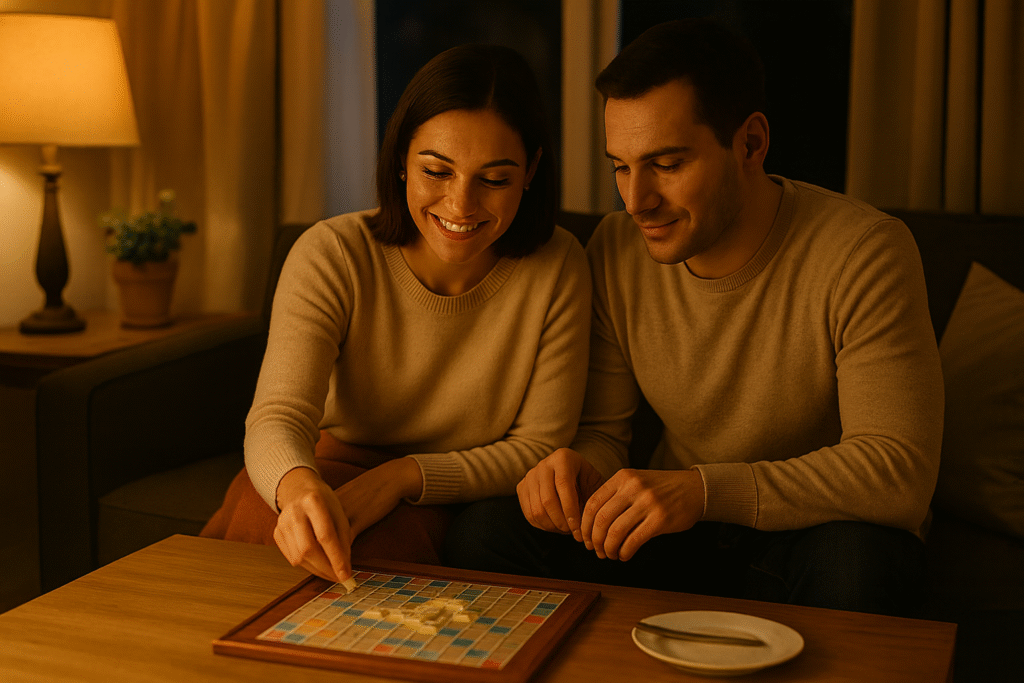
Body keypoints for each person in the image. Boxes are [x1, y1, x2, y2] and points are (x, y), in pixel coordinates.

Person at [444, 19, 944, 616]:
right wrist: (578, 469)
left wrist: (705, 490)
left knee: (863, 562)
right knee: (487, 530)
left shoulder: (866, 251)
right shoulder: (615, 248)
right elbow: (607, 433)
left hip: (810, 532)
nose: (637, 201)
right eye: (621, 166)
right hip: (678, 534)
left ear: (751, 144)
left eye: (668, 164)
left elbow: (898, 471)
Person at [201, 44, 591, 587]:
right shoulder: (333, 253)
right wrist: (298, 488)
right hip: (322, 468)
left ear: (532, 171)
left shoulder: (560, 264)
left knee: (371, 563)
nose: (460, 205)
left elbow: (539, 447)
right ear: (401, 161)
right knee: (265, 532)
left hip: (449, 489)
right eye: (436, 171)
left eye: (495, 180)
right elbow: (277, 418)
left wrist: (401, 477)